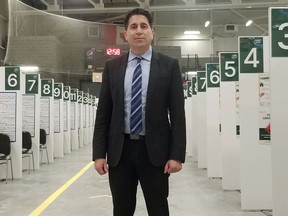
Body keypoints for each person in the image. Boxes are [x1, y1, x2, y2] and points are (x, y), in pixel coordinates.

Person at [93, 8, 186, 216]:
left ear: (152, 31)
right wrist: (99, 154)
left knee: (158, 209)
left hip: (155, 153)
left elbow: (178, 114)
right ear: (125, 34)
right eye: (133, 27)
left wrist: (176, 155)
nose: (138, 31)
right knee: (122, 210)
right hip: (120, 152)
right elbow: (103, 114)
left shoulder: (169, 66)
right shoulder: (112, 67)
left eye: (143, 26)